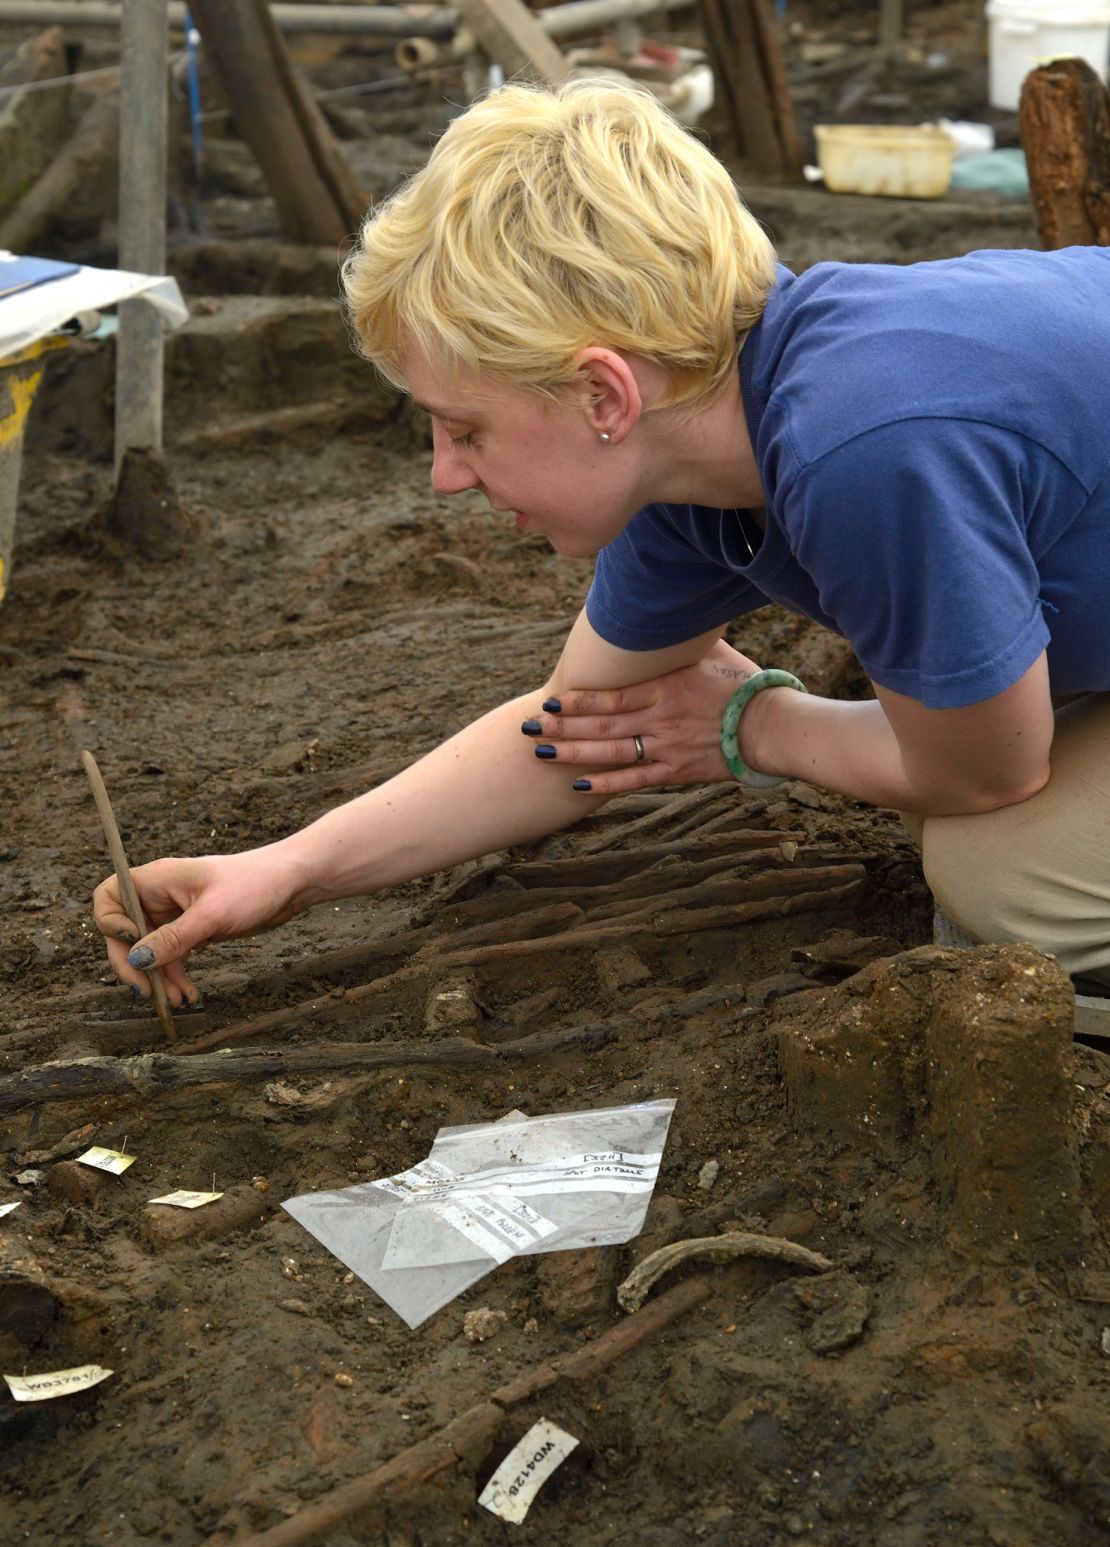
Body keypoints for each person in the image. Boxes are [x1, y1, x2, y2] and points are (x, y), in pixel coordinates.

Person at [94, 77, 1110, 1012]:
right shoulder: (705, 445)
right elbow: (577, 729)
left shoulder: (865, 448)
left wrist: (758, 723)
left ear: (603, 394)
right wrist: (288, 869)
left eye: (467, 428)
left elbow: (986, 769)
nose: (445, 473)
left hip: (987, 758)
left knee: (1006, 874)